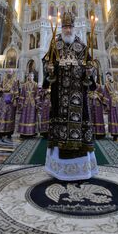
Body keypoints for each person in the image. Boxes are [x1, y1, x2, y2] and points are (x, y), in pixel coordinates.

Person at [43, 11, 98, 181]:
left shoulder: (82, 46)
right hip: (59, 96)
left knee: (79, 128)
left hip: (78, 96)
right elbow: (46, 63)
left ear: (74, 28)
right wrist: (49, 69)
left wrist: (90, 72)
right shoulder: (55, 45)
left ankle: (82, 170)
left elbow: (91, 65)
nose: (67, 30)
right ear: (61, 27)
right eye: (65, 26)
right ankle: (58, 170)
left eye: (70, 26)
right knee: (59, 129)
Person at [0, 70, 19, 140]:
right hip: (3, 100)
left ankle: (9, 133)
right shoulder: (3, 80)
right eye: (8, 72)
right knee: (2, 116)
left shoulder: (15, 81)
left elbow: (17, 91)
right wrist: (2, 89)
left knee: (9, 116)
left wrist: (15, 100)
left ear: (12, 73)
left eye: (10, 72)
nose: (9, 73)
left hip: (11, 101)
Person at [103, 72, 118, 140]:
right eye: (107, 77)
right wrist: (106, 105)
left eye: (109, 76)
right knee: (113, 118)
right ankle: (115, 134)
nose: (108, 78)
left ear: (111, 76)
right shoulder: (106, 85)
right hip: (111, 104)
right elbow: (105, 95)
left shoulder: (117, 83)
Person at [18, 72, 39, 137]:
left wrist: (37, 103)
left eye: (32, 76)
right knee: (24, 117)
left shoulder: (35, 84)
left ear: (33, 77)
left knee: (32, 118)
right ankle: (23, 132)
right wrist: (21, 103)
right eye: (30, 76)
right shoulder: (24, 85)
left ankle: (32, 132)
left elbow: (37, 94)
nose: (31, 77)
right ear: (28, 77)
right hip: (25, 104)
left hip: (32, 104)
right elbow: (22, 95)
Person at [88, 74, 106, 139]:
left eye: (95, 77)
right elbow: (86, 93)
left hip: (98, 104)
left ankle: (100, 134)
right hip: (90, 103)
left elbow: (102, 94)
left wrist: (97, 95)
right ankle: (91, 133)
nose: (94, 79)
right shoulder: (88, 85)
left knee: (98, 118)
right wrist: (90, 95)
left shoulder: (99, 86)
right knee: (91, 118)